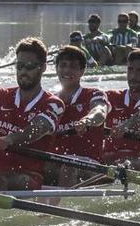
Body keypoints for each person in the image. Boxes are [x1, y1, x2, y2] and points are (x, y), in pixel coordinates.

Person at [0, 37, 65, 191]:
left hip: (29, 175)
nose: (23, 72)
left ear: (43, 67)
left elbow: (37, 129)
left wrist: (9, 139)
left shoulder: (53, 104)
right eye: (19, 66)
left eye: (29, 66)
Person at [43, 45, 108, 186]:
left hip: (90, 164)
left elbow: (100, 111)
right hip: (58, 161)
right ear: (56, 69)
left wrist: (87, 120)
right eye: (63, 66)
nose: (67, 70)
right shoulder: (49, 101)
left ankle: (58, 206)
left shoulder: (94, 94)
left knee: (69, 167)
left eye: (73, 67)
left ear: (82, 71)